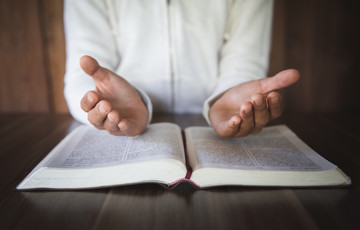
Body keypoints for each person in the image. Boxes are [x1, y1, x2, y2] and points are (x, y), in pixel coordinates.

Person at [64, 0, 299, 138]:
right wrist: (101, 106)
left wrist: (226, 98)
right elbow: (83, 73)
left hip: (213, 121)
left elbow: (245, 60)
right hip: (125, 122)